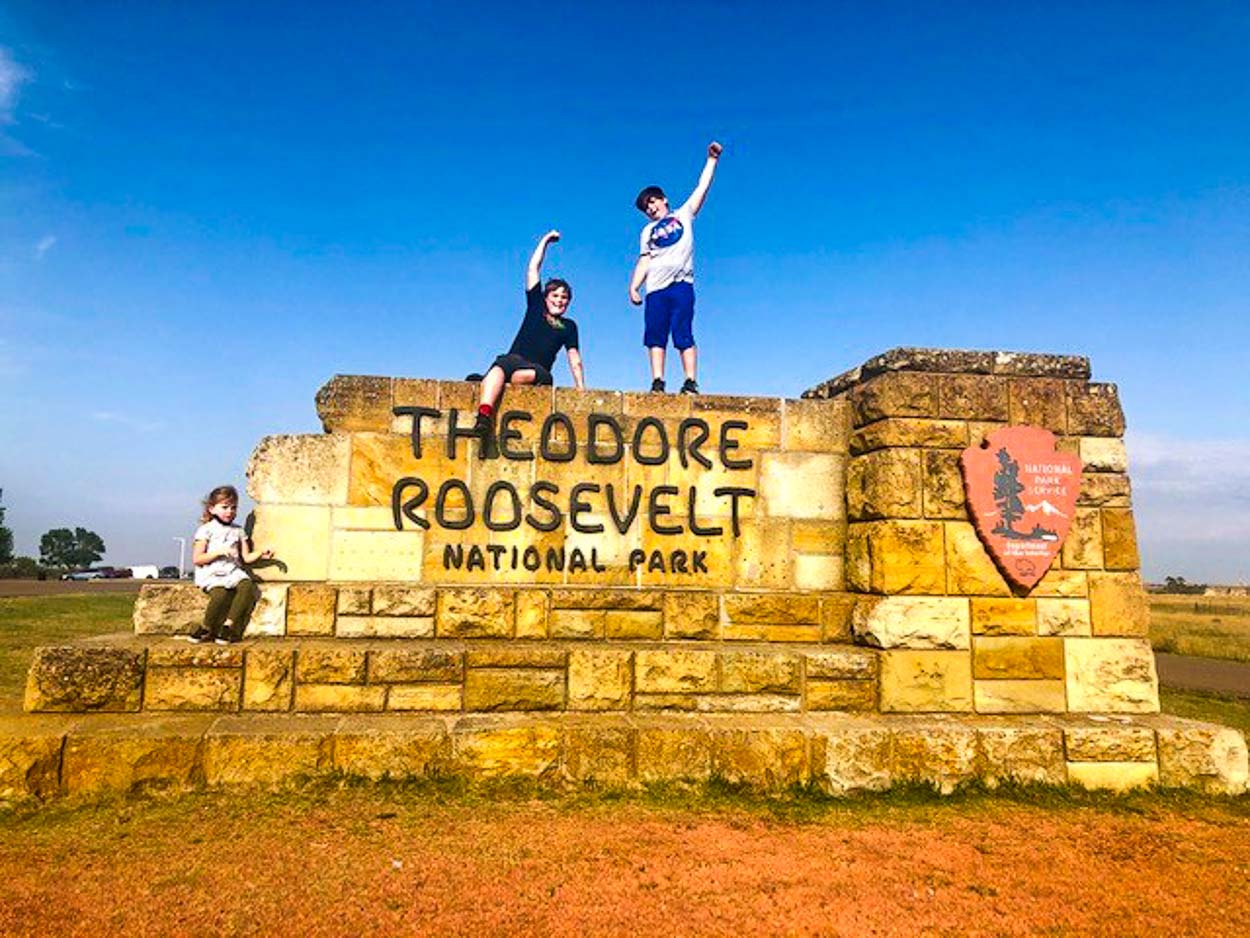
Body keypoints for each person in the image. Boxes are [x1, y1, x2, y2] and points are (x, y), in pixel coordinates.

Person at [472, 230, 585, 455]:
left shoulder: (569, 326)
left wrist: (581, 387)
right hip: (513, 361)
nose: (559, 301)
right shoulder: (535, 307)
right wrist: (545, 242)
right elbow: (533, 269)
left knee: (518, 375)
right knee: (501, 366)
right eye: (555, 296)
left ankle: (489, 383)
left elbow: (574, 358)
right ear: (546, 298)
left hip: (537, 372)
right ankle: (484, 416)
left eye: (564, 298)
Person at [629, 141, 723, 394]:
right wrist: (634, 287)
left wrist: (712, 160)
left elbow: (702, 187)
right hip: (656, 288)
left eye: (653, 202)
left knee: (683, 332)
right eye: (646, 207)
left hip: (681, 284)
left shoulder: (683, 214)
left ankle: (690, 381)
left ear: (664, 200)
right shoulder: (647, 231)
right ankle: (658, 381)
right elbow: (644, 260)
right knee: (655, 335)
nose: (650, 208)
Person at [186, 485, 271, 644]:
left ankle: (228, 626)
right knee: (220, 595)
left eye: (233, 508)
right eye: (224, 507)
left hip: (232, 571)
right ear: (212, 509)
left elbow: (246, 557)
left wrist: (260, 554)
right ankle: (207, 627)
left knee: (246, 585)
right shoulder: (206, 530)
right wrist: (218, 552)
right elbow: (198, 558)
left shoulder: (238, 531)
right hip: (213, 572)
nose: (229, 511)